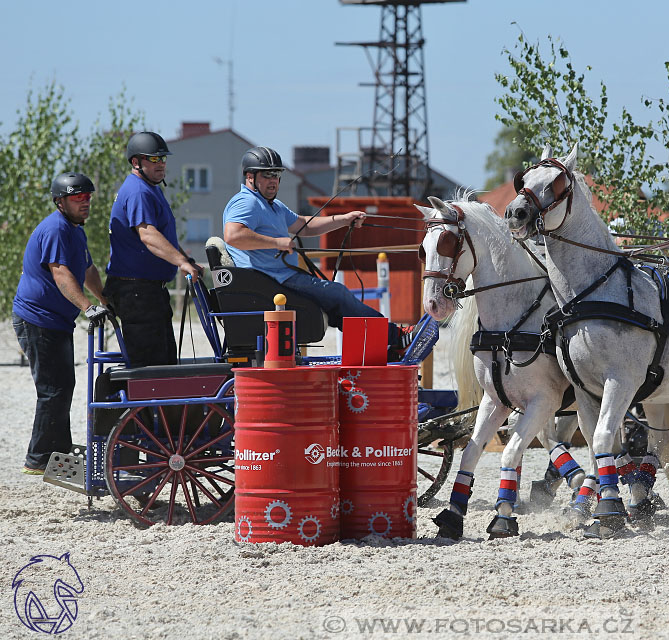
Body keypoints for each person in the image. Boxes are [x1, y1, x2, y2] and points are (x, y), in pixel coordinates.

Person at [222, 146, 413, 353]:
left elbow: (304, 225)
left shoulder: (272, 206)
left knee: (335, 300)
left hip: (281, 277)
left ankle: (379, 345)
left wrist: (343, 219)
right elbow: (233, 235)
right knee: (337, 294)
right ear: (250, 176)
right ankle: (394, 338)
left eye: (277, 174)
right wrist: (277, 242)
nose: (273, 180)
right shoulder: (246, 202)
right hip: (271, 280)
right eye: (267, 174)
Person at [13, 173, 109, 475]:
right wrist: (88, 307)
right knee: (53, 389)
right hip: (38, 320)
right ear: (60, 202)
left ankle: (59, 452)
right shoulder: (56, 228)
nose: (85, 201)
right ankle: (39, 458)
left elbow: (88, 270)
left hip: (55, 322)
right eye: (77, 197)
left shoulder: (75, 231)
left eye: (87, 196)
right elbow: (61, 273)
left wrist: (106, 300)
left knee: (64, 386)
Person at [104, 131, 201, 368]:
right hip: (136, 290)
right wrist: (182, 263)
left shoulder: (151, 188)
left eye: (163, 159)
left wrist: (184, 258)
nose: (162, 165)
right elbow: (148, 234)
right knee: (151, 367)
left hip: (147, 291)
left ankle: (162, 407)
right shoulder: (138, 191)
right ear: (136, 162)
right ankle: (147, 407)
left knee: (166, 362)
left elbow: (163, 236)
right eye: (154, 159)